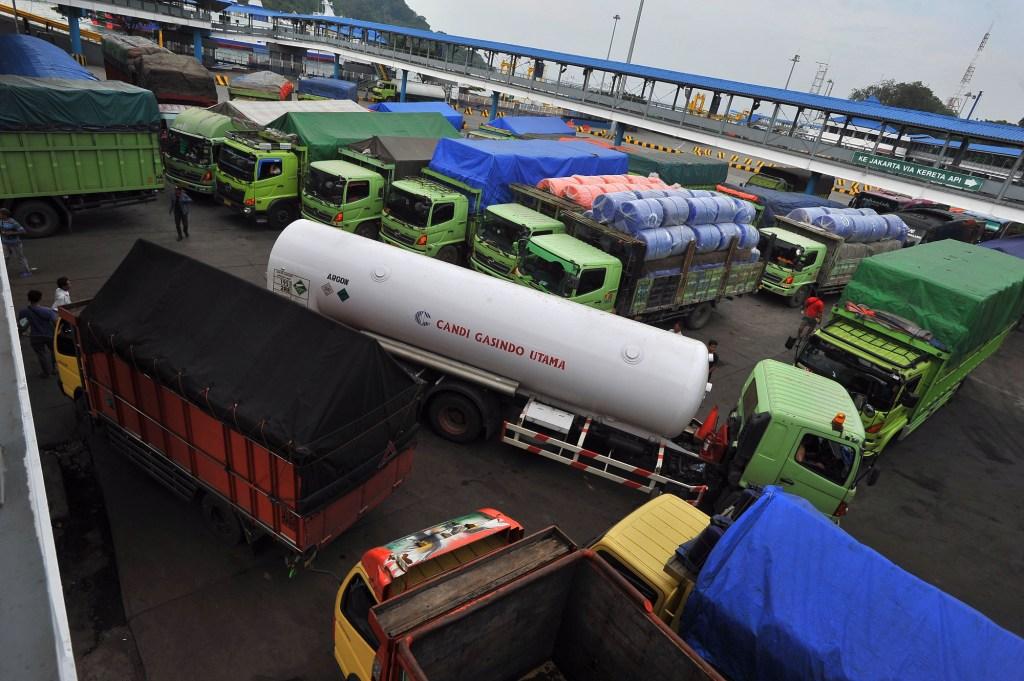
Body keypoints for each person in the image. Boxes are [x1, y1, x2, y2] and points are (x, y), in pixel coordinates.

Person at [18, 289, 57, 378]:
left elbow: (22, 325)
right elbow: (55, 321)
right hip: (49, 334)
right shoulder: (48, 311)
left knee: (41, 354)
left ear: (28, 299)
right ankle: (55, 368)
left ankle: (46, 373)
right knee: (53, 351)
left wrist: (21, 334)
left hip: (35, 336)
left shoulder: (24, 312)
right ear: (40, 298)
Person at [1, 208, 33, 278]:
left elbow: (23, 231)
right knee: (5, 258)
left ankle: (27, 271)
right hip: (4, 243)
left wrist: (12, 233)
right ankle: (3, 272)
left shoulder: (13, 222)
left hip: (15, 243)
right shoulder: (1, 221)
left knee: (19, 258)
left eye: (0, 214)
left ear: (5, 215)